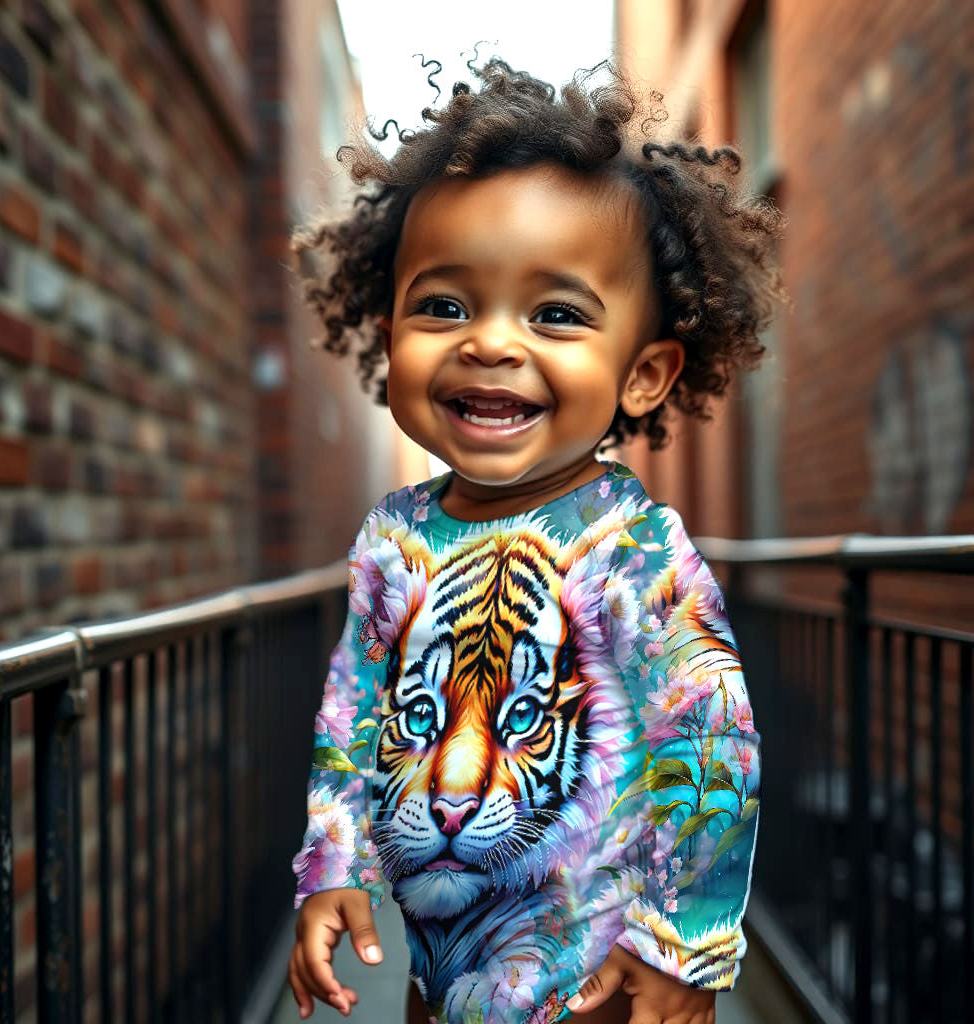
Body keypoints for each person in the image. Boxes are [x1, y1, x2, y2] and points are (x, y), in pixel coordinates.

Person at [286, 58, 780, 1024]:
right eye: (443, 305)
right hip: (440, 972)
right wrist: (331, 862)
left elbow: (712, 739)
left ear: (643, 375)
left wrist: (684, 940)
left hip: (597, 985)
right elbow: (352, 713)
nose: (491, 342)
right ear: (389, 341)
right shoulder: (395, 536)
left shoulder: (632, 545)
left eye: (554, 313)